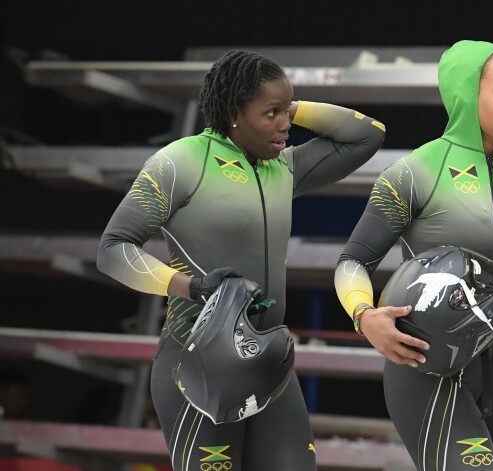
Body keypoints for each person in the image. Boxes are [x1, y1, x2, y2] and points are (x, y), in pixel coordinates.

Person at [97, 49, 386, 471]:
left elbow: (367, 134)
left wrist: (290, 105)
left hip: (269, 362)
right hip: (199, 359)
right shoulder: (181, 162)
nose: (285, 125)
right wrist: (189, 286)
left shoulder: (283, 167)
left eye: (286, 111)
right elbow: (114, 248)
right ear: (234, 112)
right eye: (271, 113)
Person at [334, 40, 493, 470]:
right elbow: (353, 263)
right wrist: (364, 316)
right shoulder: (415, 172)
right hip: (425, 372)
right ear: (464, 94)